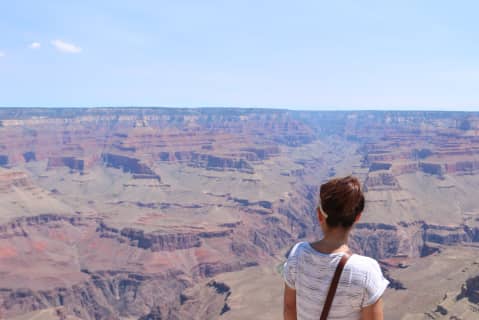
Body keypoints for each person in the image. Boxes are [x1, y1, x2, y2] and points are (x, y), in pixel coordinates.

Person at [282, 176, 389, 320]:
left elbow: (289, 308)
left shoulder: (297, 254)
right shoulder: (367, 272)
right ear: (357, 217)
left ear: (320, 215)